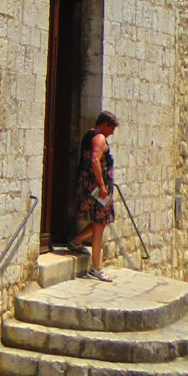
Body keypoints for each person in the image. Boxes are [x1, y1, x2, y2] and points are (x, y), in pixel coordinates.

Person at [72, 110, 118, 281]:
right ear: (104, 124)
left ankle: (76, 240)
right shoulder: (99, 138)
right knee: (100, 222)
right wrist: (102, 186)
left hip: (90, 186)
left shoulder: (89, 135)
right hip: (97, 189)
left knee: (102, 220)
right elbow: (94, 160)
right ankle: (96, 268)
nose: (112, 132)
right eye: (112, 128)